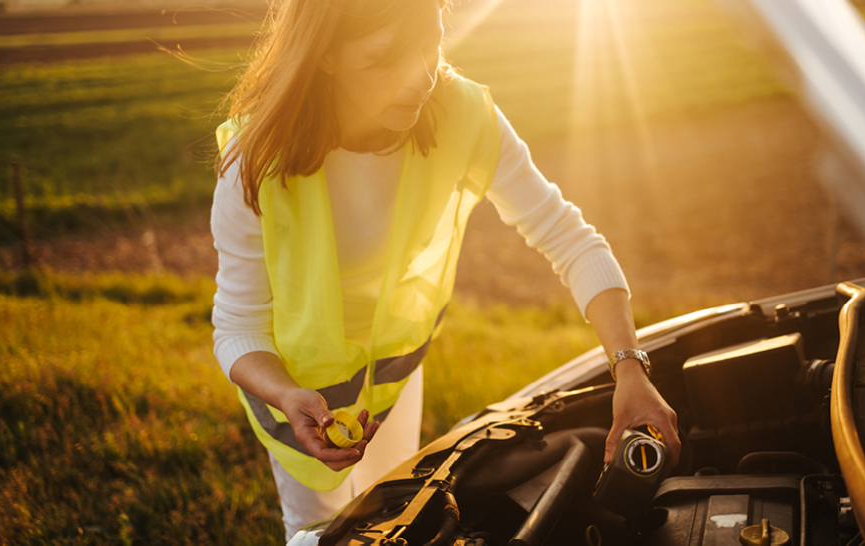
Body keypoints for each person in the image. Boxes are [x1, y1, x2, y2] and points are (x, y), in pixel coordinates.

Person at [210, 0, 680, 540]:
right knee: (321, 532)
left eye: (431, 42)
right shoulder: (254, 162)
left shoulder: (464, 114)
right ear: (326, 57)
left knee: (396, 517)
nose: (420, 77)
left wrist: (629, 367)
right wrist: (289, 397)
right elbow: (238, 326)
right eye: (384, 58)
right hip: (296, 392)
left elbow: (570, 238)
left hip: (393, 376)